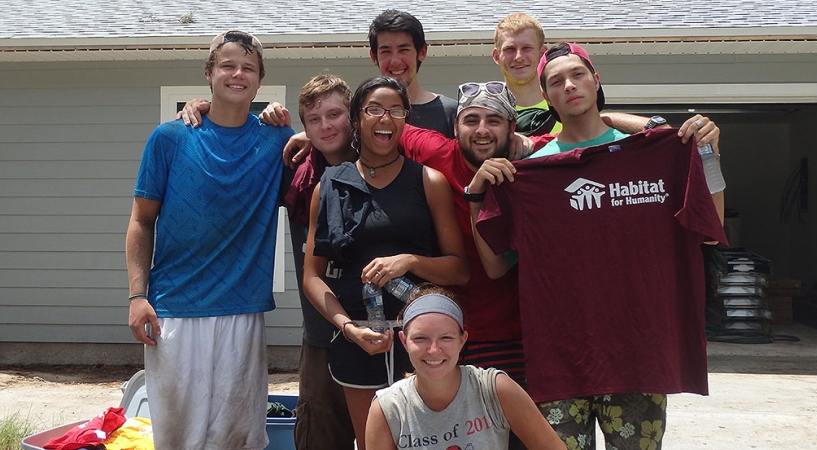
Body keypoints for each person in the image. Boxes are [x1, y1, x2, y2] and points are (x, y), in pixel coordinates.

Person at [468, 42, 727, 450]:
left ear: (596, 80)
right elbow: (497, 266)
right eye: (555, 81)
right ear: (546, 96)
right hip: (560, 360)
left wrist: (708, 155)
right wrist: (476, 198)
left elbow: (710, 229)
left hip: (638, 356)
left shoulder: (654, 153)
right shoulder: (531, 174)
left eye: (577, 75)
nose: (569, 85)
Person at [125, 30, 295, 450]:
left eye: (248, 68)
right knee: (177, 437)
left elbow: (330, 148)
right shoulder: (170, 138)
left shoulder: (278, 141)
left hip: (243, 309)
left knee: (236, 436)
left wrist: (289, 124)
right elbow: (142, 221)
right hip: (174, 310)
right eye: (228, 65)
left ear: (258, 80)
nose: (238, 74)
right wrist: (136, 296)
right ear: (208, 73)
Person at [303, 75, 469, 450]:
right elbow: (312, 277)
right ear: (357, 119)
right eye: (374, 109)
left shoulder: (429, 181)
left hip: (425, 343)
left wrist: (409, 261)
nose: (385, 118)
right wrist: (347, 328)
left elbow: (460, 269)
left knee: (431, 442)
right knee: (375, 445)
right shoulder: (328, 187)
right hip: (360, 340)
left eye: (396, 110)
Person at [366, 287, 567, 450]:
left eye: (446, 338)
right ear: (403, 341)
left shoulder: (495, 389)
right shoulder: (387, 409)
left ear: (463, 340)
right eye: (420, 338)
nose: (434, 350)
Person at [284, 73, 357, 450]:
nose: (326, 125)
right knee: (319, 436)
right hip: (320, 335)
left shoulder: (384, 163)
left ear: (353, 115)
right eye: (314, 119)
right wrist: (200, 106)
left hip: (379, 330)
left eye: (335, 114)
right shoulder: (295, 173)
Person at [492, 13, 650, 137]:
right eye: (509, 49)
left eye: (527, 48)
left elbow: (595, 125)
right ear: (497, 56)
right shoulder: (485, 114)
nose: (518, 56)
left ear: (542, 54)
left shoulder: (567, 101)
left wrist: (654, 125)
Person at [369, 9, 457, 138]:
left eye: (403, 50)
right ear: (374, 57)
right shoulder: (365, 116)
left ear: (422, 52)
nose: (395, 61)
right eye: (386, 52)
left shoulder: (451, 113)